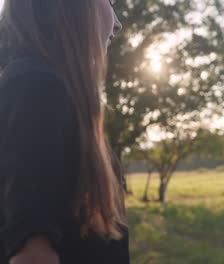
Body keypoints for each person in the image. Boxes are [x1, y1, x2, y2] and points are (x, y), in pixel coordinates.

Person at [0, 0, 130, 263]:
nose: (117, 24)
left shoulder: (52, 93)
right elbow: (33, 257)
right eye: (109, 1)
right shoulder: (35, 88)